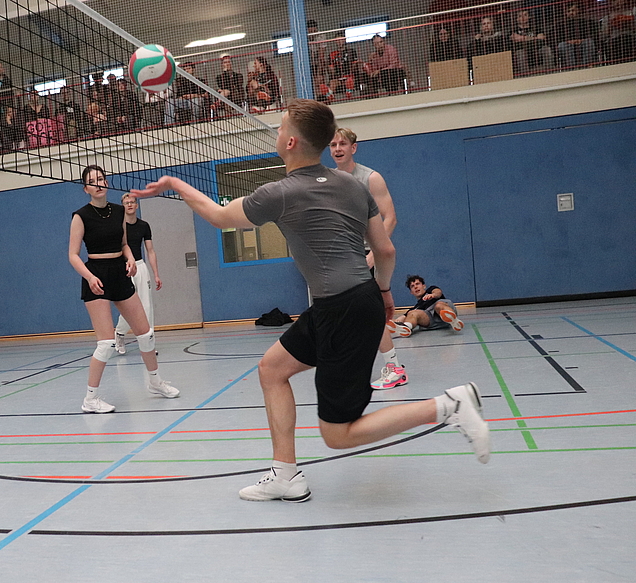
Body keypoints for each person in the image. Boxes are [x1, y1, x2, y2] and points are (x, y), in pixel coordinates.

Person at [132, 99, 490, 503]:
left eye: (280, 125)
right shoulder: (354, 185)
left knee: (338, 434)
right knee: (272, 369)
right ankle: (286, 475)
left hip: (342, 310)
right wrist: (384, 291)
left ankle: (448, 406)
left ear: (290, 142)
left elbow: (217, 216)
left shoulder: (279, 193)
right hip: (350, 301)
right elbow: (385, 250)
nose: (276, 131)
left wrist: (175, 184)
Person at [69, 165, 180, 413]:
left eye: (101, 178)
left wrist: (129, 259)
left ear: (106, 182)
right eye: (92, 181)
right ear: (86, 188)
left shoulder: (119, 211)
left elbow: (124, 244)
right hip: (96, 275)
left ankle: (155, 382)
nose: (98, 183)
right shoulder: (80, 216)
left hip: (120, 272)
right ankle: (90, 399)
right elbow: (73, 255)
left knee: (145, 333)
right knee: (106, 343)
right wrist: (89, 277)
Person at [329, 128, 404, 391]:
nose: (337, 149)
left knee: (370, 314)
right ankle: (352, 366)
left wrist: (374, 253)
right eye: (333, 145)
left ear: (353, 148)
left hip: (366, 254)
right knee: (347, 314)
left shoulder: (371, 178)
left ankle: (394, 368)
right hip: (343, 254)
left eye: (342, 144)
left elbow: (390, 218)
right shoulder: (330, 180)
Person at [113, 193, 161, 355]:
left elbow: (150, 251)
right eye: (126, 202)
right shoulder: (118, 227)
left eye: (132, 202)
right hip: (123, 269)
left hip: (140, 267)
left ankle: (149, 344)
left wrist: (156, 274)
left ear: (136, 205)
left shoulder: (144, 226)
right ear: (122, 206)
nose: (130, 205)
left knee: (147, 307)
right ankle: (120, 334)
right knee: (130, 307)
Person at [390, 275, 464, 337]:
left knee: (438, 306)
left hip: (441, 308)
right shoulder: (416, 307)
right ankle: (406, 328)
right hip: (433, 322)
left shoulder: (431, 290)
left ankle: (453, 320)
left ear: (424, 286)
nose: (415, 287)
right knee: (413, 313)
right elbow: (401, 318)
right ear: (411, 292)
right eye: (412, 286)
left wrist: (433, 295)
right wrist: (393, 323)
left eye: (417, 284)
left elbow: (438, 292)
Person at [511, 9, 554, 74]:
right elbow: (516, 38)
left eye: (525, 15)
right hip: (522, 50)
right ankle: (525, 75)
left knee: (546, 49)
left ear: (529, 17)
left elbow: (542, 37)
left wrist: (524, 38)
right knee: (521, 53)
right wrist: (535, 38)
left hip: (537, 50)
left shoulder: (536, 27)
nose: (523, 18)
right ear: (517, 19)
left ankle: (550, 72)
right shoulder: (514, 29)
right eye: (520, 16)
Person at [555, 3, 597, 68]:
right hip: (568, 44)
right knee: (562, 45)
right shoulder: (561, 25)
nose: (571, 13)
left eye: (573, 10)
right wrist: (569, 41)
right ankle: (572, 68)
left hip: (583, 42)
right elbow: (559, 37)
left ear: (578, 10)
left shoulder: (586, 22)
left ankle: (586, 66)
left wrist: (581, 40)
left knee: (589, 42)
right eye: (569, 11)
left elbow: (592, 34)